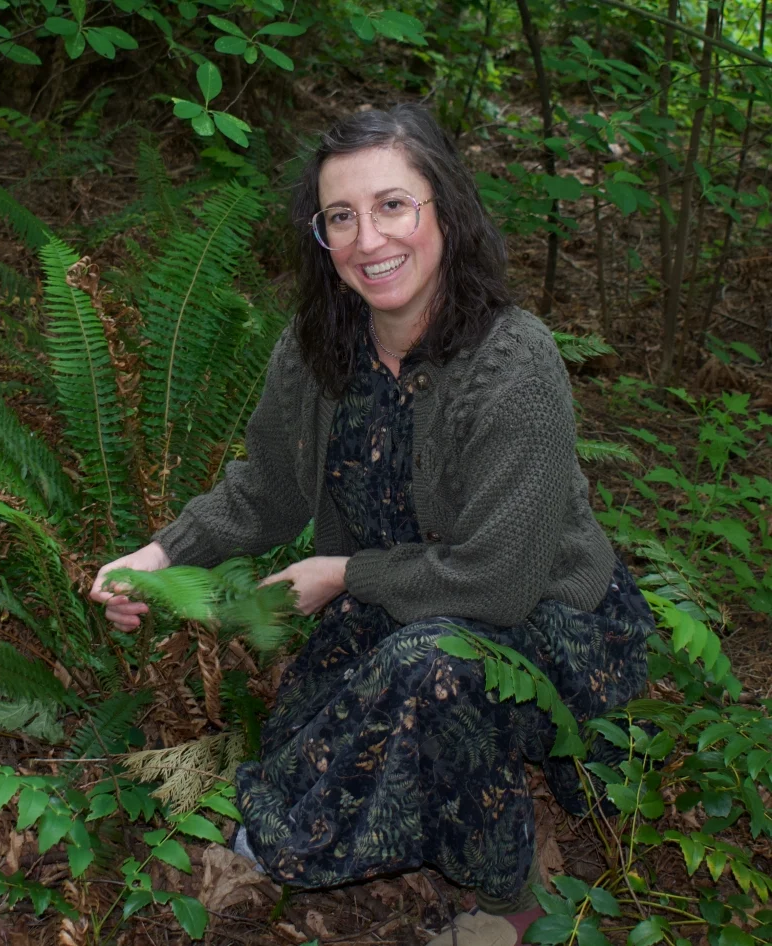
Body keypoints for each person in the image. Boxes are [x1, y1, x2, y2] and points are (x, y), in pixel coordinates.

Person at [90, 104, 652, 946]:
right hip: (403, 597)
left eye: (393, 205)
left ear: (446, 211)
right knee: (320, 715)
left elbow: (498, 584)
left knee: (432, 668)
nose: (367, 238)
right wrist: (161, 551)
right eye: (340, 218)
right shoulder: (321, 344)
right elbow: (267, 491)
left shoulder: (514, 365)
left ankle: (508, 896)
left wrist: (343, 574)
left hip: (550, 628)